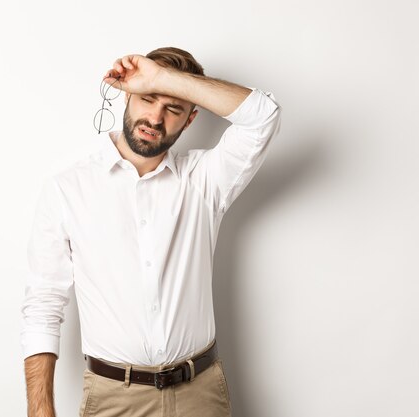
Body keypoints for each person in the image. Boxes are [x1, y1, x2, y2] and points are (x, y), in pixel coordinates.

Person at [21, 46, 282, 417]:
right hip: (114, 399)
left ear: (190, 120)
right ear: (127, 95)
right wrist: (39, 410)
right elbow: (43, 305)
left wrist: (160, 79)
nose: (155, 117)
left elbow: (264, 116)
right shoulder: (68, 189)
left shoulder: (205, 179)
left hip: (200, 394)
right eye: (147, 99)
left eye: (173, 108)